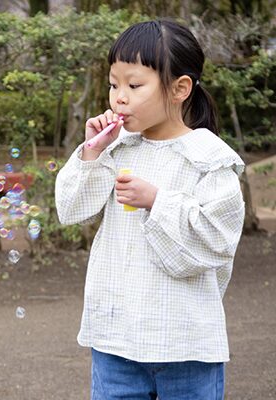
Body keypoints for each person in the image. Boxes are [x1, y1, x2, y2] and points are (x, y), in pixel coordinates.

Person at [55, 19, 245, 400]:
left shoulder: (209, 159)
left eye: (134, 85)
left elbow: (217, 242)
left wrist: (157, 201)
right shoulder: (115, 147)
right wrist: (91, 152)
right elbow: (71, 209)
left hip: (185, 342)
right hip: (116, 341)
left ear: (180, 88)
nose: (119, 97)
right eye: (113, 84)